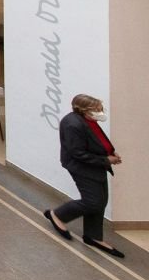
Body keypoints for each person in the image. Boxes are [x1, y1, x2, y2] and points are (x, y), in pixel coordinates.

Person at [45, 94, 124, 257]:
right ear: (84, 109)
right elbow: (77, 153)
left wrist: (110, 151)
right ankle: (57, 215)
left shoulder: (88, 120)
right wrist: (106, 159)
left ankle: (93, 236)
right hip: (82, 167)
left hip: (96, 165)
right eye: (97, 109)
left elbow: (98, 138)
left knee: (101, 200)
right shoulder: (72, 124)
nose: (100, 112)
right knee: (93, 201)